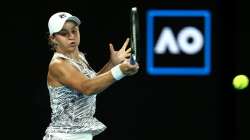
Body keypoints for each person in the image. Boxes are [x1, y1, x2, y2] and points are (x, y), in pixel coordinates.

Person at [43, 12, 139, 140]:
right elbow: (87, 88)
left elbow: (93, 83)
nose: (71, 36)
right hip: (63, 136)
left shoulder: (80, 58)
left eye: (74, 31)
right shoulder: (58, 64)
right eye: (64, 33)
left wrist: (112, 64)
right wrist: (120, 70)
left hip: (81, 136)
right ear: (53, 38)